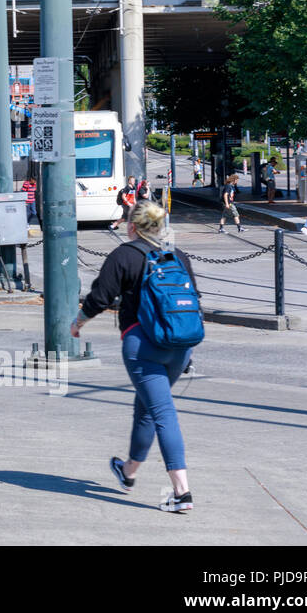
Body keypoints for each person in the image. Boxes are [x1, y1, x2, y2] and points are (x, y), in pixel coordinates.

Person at [74, 200, 197, 513]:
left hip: (143, 348)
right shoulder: (177, 255)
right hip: (179, 348)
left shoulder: (124, 255)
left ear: (132, 226)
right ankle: (128, 472)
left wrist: (77, 325)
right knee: (147, 407)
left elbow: (99, 298)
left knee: (162, 413)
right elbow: (193, 300)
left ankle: (182, 493)